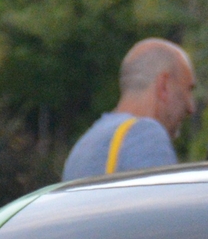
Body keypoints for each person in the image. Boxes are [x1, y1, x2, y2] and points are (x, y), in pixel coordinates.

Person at [61, 39, 195, 180]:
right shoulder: (145, 134)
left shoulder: (85, 144)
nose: (191, 107)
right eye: (188, 90)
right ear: (164, 86)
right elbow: (164, 200)